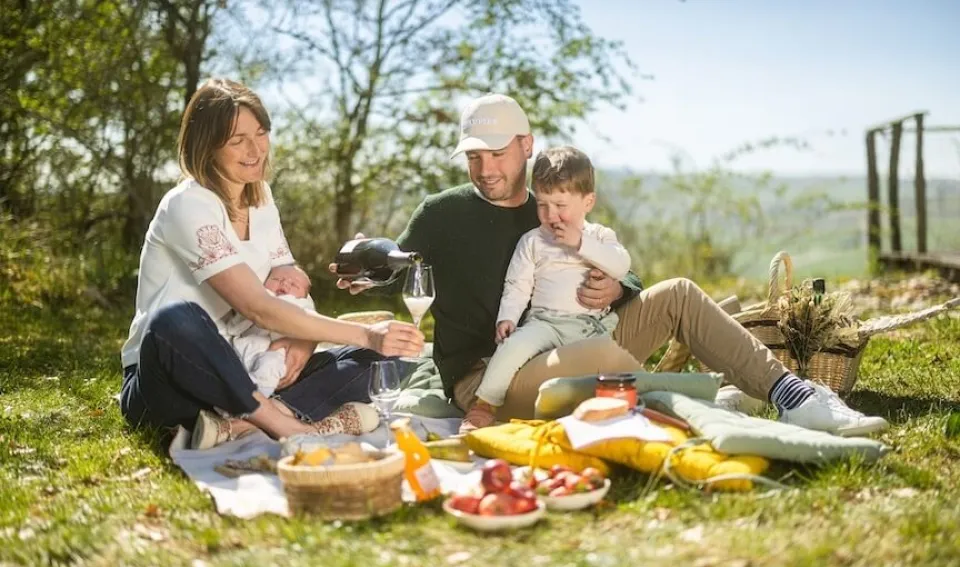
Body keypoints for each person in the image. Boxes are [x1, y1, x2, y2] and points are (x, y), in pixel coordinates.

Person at [335, 93, 888, 437]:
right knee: (600, 359)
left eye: (496, 153)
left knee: (677, 292)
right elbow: (398, 273)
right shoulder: (441, 213)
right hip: (491, 377)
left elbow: (624, 272)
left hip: (582, 334)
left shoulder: (553, 204)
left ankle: (796, 396)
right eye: (474, 157)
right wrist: (363, 271)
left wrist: (613, 287)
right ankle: (702, 391)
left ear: (526, 145)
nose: (485, 169)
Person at [119, 78, 423, 451]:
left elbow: (291, 288)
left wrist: (304, 341)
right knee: (174, 320)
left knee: (391, 357)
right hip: (174, 380)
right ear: (206, 146)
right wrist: (366, 333)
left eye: (261, 134)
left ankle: (240, 424)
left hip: (253, 368)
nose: (255, 149)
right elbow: (258, 307)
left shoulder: (261, 199)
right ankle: (284, 423)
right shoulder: (187, 204)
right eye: (237, 140)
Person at [458, 145, 631, 433]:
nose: (551, 215)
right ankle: (484, 404)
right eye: (542, 205)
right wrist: (508, 317)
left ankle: (613, 408)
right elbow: (517, 285)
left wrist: (581, 243)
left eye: (560, 206)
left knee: (605, 361)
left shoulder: (599, 236)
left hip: (588, 326)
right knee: (512, 347)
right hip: (544, 323)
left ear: (588, 202)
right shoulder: (533, 241)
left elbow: (621, 265)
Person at [223, 264, 314, 399]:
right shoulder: (258, 297)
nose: (285, 283)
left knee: (269, 368)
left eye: (294, 285)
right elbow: (237, 323)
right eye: (277, 279)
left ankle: (252, 398)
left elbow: (308, 323)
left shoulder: (301, 305)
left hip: (274, 351)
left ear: (305, 297)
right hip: (245, 346)